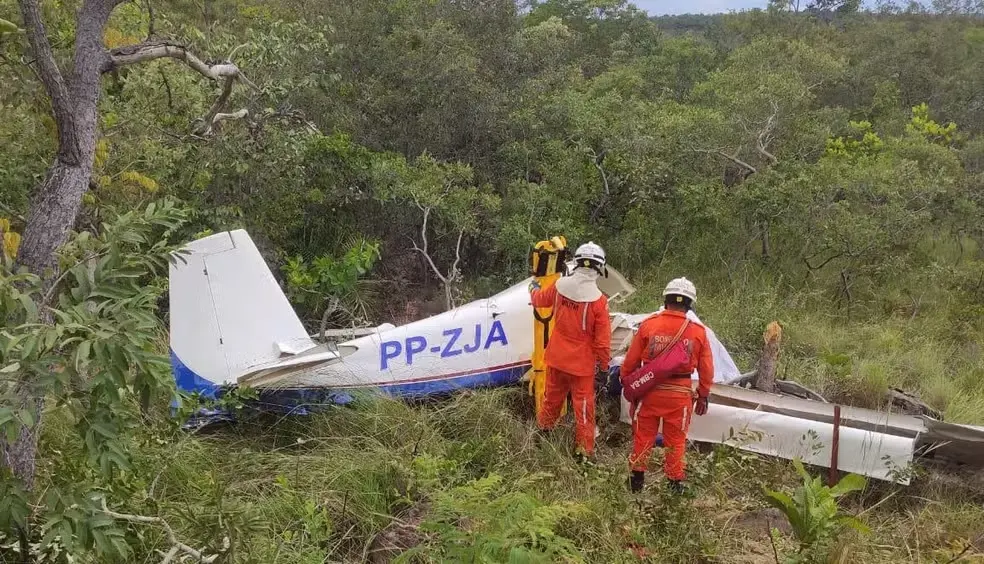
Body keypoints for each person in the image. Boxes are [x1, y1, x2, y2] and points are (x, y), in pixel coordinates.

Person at [619, 277, 714, 493]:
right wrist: (703, 394)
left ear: (666, 299)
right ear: (689, 304)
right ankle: (674, 485)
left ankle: (636, 483)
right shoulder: (698, 332)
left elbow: (631, 362)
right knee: (676, 442)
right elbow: (707, 369)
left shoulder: (649, 324)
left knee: (643, 438)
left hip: (649, 392)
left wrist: (628, 381)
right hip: (679, 396)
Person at [529, 241, 612, 462]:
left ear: (576, 262)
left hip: (556, 358)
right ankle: (583, 454)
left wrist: (533, 287)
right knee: (583, 410)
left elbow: (538, 300)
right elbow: (602, 343)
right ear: (599, 267)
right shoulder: (599, 302)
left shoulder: (559, 286)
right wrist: (604, 368)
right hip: (581, 366)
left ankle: (543, 434)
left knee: (551, 399)